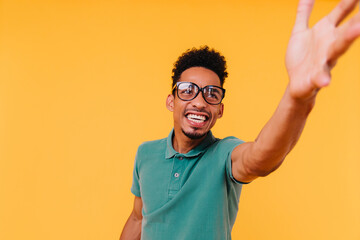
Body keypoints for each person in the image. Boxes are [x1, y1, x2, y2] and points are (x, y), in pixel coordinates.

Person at [120, 0, 360, 239]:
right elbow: (138, 218)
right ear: (171, 101)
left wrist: (296, 97)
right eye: (187, 90)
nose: (200, 101)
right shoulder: (146, 154)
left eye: (211, 94)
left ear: (220, 110)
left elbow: (258, 159)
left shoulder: (225, 154)